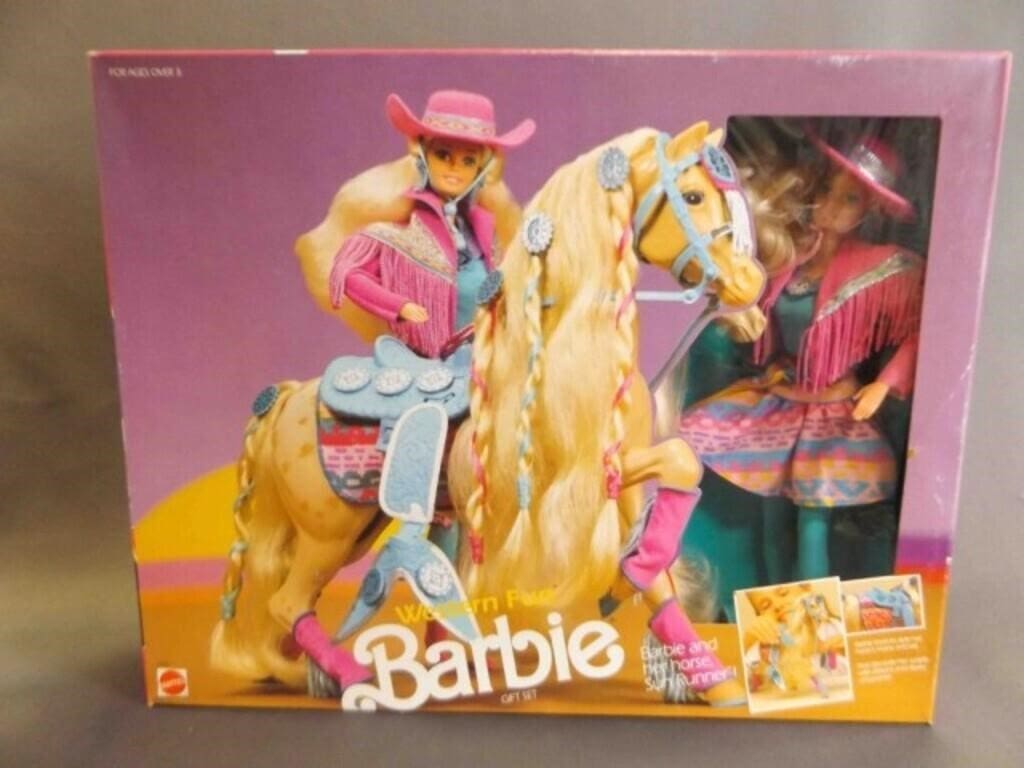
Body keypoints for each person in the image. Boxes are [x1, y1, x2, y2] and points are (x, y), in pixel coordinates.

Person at [679, 129, 923, 582]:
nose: (830, 205)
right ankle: (771, 613)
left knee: (813, 528)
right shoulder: (789, 260)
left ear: (869, 210)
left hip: (831, 412)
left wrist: (884, 384)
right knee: (772, 523)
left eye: (849, 199)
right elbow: (754, 309)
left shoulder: (882, 267)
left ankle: (814, 617)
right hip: (783, 399)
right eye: (827, 189)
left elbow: (919, 329)